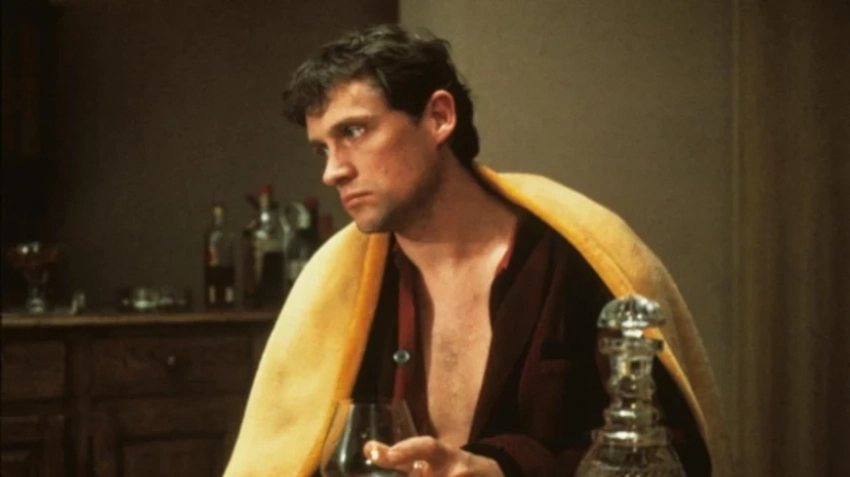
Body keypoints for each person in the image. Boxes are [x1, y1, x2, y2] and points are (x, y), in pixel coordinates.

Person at [224, 24, 732, 477]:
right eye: (322, 149)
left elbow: (673, 456)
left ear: (439, 117)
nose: (333, 171)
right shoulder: (335, 287)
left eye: (353, 131)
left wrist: (500, 468)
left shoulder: (581, 257)